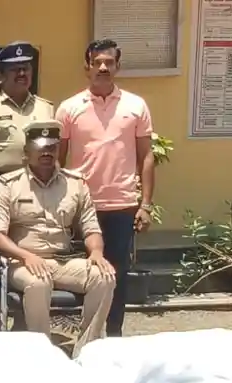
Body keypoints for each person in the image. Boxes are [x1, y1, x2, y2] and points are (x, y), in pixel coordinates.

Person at [0, 120, 116, 356]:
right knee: (39, 282)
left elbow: (91, 227)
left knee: (104, 277)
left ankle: (86, 350)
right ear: (27, 152)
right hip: (22, 262)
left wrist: (96, 252)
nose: (47, 153)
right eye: (40, 148)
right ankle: (43, 353)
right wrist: (26, 256)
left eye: (52, 147)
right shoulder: (9, 184)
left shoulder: (75, 184)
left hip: (63, 261)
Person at [56, 39, 156, 337]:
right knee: (83, 274)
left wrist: (146, 204)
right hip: (81, 207)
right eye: (97, 62)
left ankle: (113, 335)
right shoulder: (69, 108)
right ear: (86, 67)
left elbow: (146, 156)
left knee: (117, 274)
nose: (103, 67)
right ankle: (85, 336)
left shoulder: (135, 106)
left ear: (117, 67)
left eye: (109, 62)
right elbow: (57, 160)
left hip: (121, 206)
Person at [0, 41, 54, 241]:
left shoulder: (46, 108)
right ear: (1, 76)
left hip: (35, 187)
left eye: (26, 68)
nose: (22, 73)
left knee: (31, 241)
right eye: (15, 69)